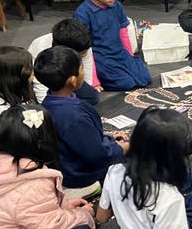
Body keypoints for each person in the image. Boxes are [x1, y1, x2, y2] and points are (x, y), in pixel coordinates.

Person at [35, 46, 128, 199]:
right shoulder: (74, 116)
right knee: (139, 157)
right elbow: (96, 156)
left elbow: (82, 141)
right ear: (72, 80)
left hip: (68, 163)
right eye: (82, 68)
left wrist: (108, 139)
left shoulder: (48, 101)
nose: (84, 72)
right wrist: (121, 148)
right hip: (80, 176)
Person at [74, 0, 151, 91]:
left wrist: (129, 57)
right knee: (126, 83)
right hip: (100, 57)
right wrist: (94, 80)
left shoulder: (116, 6)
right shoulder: (83, 12)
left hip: (119, 53)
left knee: (144, 77)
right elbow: (85, 49)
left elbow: (123, 33)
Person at [28, 18, 100, 105]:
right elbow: (40, 84)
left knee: (93, 97)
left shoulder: (84, 43)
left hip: (68, 76)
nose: (85, 55)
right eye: (81, 54)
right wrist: (49, 108)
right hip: (48, 80)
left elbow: (86, 75)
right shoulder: (40, 47)